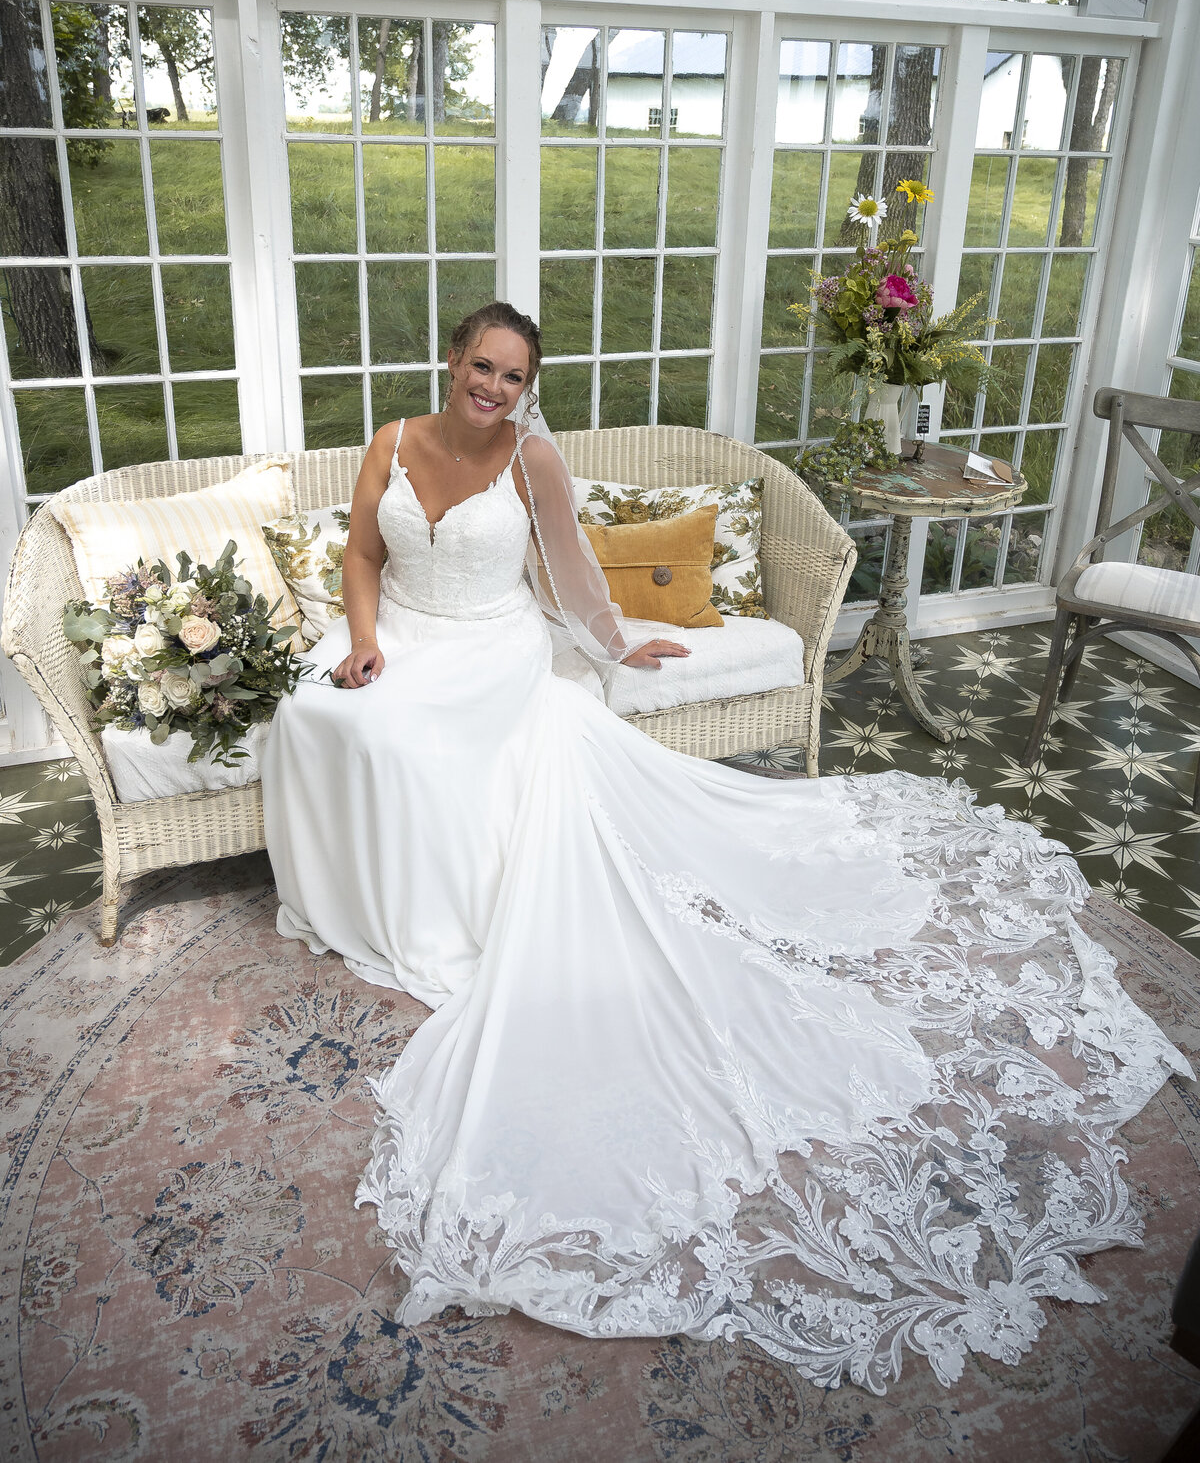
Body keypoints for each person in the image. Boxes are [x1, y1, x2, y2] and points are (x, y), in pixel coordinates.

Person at [262, 301, 1193, 1395]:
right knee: (316, 714)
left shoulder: (533, 462)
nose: (495, 388)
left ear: (526, 387)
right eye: (482, 368)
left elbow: (569, 578)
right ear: (450, 361)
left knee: (410, 743)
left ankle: (427, 908)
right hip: (401, 640)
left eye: (514, 376)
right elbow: (364, 555)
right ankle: (360, 901)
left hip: (490, 654)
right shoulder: (390, 441)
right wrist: (365, 643)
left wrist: (616, 641)